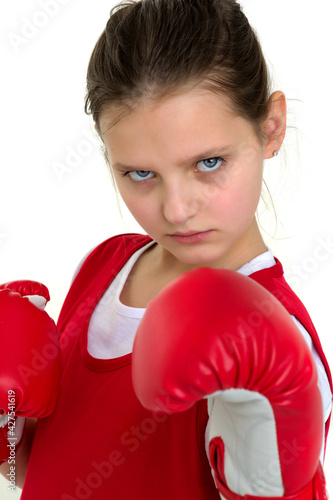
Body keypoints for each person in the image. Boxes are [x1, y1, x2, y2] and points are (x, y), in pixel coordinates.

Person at [0, 0, 332, 498]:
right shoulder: (106, 265)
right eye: (140, 174)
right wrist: (8, 417)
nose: (175, 210)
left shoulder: (271, 331)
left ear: (271, 127)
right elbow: (36, 471)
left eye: (209, 163)